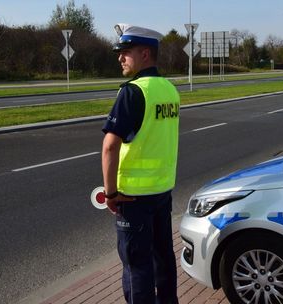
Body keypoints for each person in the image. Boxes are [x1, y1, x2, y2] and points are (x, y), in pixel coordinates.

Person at [101, 23, 180, 304]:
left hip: (132, 197)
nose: (120, 58)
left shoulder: (133, 92)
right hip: (161, 191)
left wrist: (110, 193)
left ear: (145, 54)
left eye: (126, 52)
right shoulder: (170, 90)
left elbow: (110, 146)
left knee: (137, 266)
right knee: (163, 259)